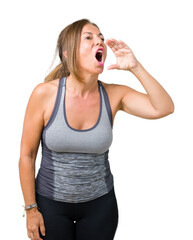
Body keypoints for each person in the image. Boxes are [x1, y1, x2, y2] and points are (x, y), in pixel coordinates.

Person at [19, 18, 174, 240]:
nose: (99, 42)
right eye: (89, 38)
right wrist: (30, 209)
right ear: (67, 52)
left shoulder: (114, 95)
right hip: (49, 205)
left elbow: (164, 107)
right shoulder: (45, 94)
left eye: (101, 38)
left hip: (100, 207)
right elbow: (27, 155)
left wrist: (135, 67)